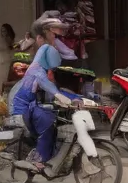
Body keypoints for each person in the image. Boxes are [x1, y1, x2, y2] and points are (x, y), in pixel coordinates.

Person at [9, 17, 81, 172]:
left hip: (32, 107)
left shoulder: (43, 68)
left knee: (55, 120)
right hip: (21, 110)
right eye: (53, 37)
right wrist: (58, 95)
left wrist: (79, 99)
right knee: (46, 121)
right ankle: (37, 160)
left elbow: (55, 90)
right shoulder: (36, 70)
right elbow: (46, 85)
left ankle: (51, 157)